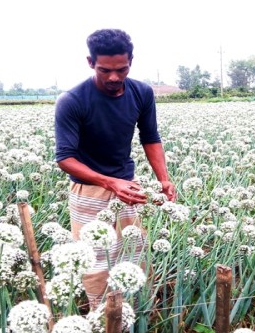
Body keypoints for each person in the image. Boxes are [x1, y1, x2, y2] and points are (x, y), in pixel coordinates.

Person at [54, 28, 176, 308]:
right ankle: (103, 316)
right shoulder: (72, 100)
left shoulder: (142, 92)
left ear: (131, 61)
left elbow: (150, 137)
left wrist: (164, 180)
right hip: (90, 189)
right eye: (104, 69)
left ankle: (137, 312)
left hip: (128, 185)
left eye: (121, 69)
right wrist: (109, 182)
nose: (113, 77)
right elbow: (65, 157)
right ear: (90, 62)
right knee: (96, 259)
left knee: (135, 252)